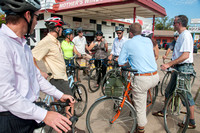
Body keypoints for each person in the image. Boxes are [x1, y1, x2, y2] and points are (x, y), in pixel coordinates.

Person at [0, 0, 75, 133]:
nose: (36, 22)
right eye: (37, 17)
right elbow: (5, 95)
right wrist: (44, 115)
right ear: (28, 15)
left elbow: (36, 77)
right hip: (11, 119)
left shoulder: (22, 43)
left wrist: (59, 94)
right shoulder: (3, 44)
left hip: (27, 112)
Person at [32, 17, 85, 133]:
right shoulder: (46, 41)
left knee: (62, 105)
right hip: (58, 79)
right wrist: (40, 72)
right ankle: (71, 129)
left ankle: (63, 126)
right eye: (61, 28)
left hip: (61, 77)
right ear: (57, 28)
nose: (62, 30)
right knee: (70, 102)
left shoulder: (56, 41)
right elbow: (31, 57)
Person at [153, 15, 196, 129]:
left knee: (186, 96)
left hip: (184, 69)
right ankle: (165, 111)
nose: (173, 24)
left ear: (179, 23)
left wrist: (169, 64)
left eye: (174, 22)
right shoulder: (181, 36)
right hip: (177, 67)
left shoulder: (186, 36)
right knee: (168, 91)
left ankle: (191, 121)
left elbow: (185, 55)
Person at [118, 23, 159, 133]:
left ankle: (140, 129)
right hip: (155, 76)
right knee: (142, 93)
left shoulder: (128, 43)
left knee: (140, 107)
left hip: (143, 79)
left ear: (130, 33)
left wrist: (128, 61)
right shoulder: (148, 41)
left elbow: (121, 62)